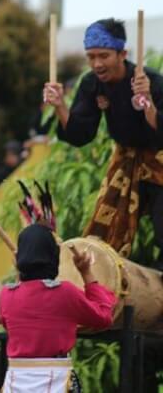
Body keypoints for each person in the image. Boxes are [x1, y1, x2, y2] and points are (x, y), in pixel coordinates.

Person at [44, 18, 163, 264]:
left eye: (104, 55)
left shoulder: (151, 80)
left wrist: (147, 100)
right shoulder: (91, 84)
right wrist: (60, 106)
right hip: (126, 160)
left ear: (123, 54)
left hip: (159, 160)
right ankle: (100, 290)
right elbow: (80, 134)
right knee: (105, 232)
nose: (96, 63)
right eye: (91, 56)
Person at [0, 185, 116, 392]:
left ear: (20, 259)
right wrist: (86, 272)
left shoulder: (6, 295)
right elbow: (103, 317)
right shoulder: (64, 293)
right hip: (55, 380)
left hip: (15, 381)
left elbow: (16, 324)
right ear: (54, 257)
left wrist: (20, 268)